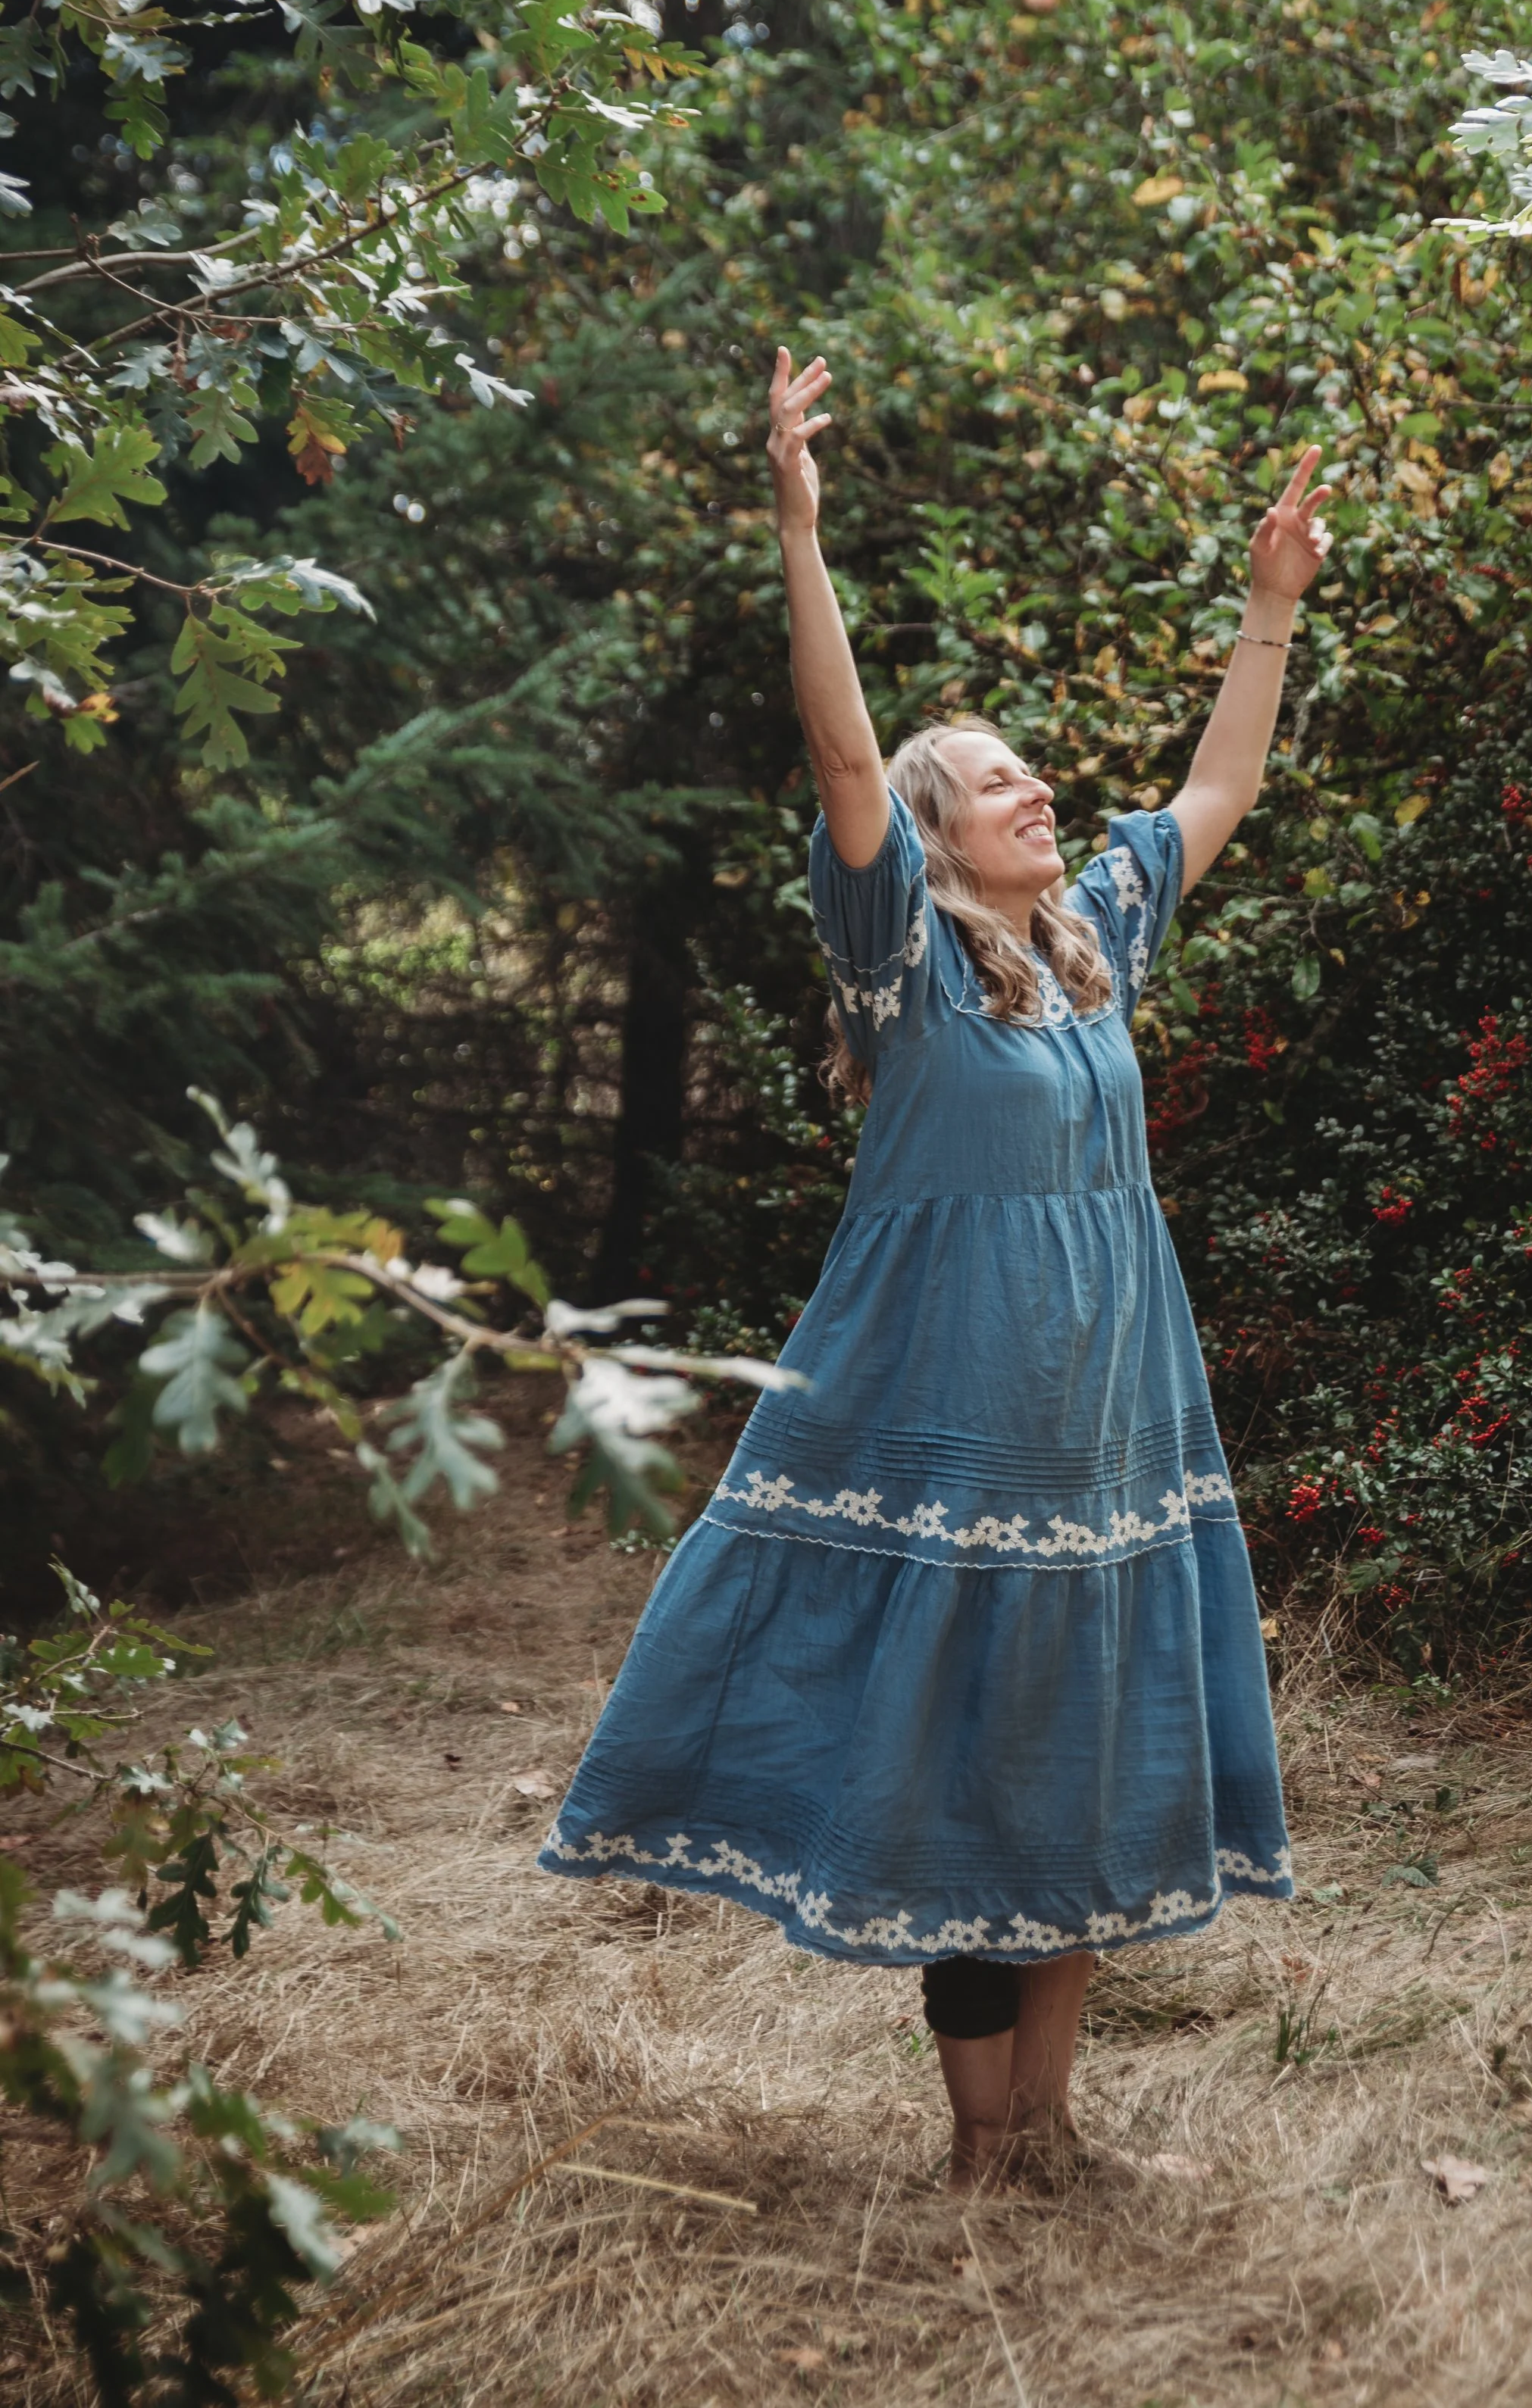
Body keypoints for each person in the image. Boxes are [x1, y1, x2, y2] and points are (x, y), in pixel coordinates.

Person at [541, 348, 1332, 2189]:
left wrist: (1267, 608)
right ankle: (982, 2146)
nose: (1034, 788)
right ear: (933, 831)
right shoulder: (900, 952)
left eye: (1023, 771)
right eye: (992, 782)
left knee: (1069, 1778)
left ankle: (1051, 2131)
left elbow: (1220, 784)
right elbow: (837, 743)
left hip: (1108, 1429)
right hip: (947, 1429)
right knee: (974, 1781)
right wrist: (796, 531)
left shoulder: (1097, 933)